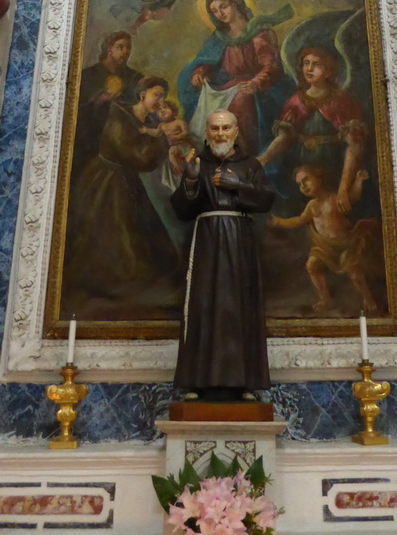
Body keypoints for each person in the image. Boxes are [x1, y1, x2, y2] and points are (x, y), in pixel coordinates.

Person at [170, 109, 276, 400]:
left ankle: (245, 383)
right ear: (206, 132)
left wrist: (237, 185)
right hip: (206, 241)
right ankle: (196, 381)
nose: (220, 134)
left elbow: (266, 199)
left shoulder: (250, 165)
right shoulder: (198, 163)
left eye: (225, 128)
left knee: (240, 305)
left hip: (240, 240)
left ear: (236, 131)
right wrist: (191, 182)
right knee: (203, 304)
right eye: (214, 128)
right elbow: (181, 210)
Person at [62, 76, 178, 315]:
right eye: (157, 95)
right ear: (142, 95)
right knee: (116, 233)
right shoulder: (120, 118)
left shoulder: (150, 120)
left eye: (163, 96)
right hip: (106, 181)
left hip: (125, 179)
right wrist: (160, 142)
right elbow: (139, 156)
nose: (160, 101)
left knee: (143, 231)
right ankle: (118, 283)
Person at [178, 0, 293, 156]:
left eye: (223, 6)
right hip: (227, 86)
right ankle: (213, 156)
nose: (220, 14)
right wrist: (199, 73)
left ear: (236, 3)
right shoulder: (220, 36)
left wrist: (256, 82)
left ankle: (240, 156)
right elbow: (208, 60)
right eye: (215, 11)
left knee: (240, 102)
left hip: (256, 89)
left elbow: (271, 66)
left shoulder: (258, 31)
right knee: (206, 108)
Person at [258, 45, 365, 210]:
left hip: (332, 166)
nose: (309, 68)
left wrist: (343, 189)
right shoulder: (295, 101)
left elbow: (354, 146)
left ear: (329, 72)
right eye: (306, 63)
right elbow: (283, 138)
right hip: (298, 166)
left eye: (316, 64)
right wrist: (262, 160)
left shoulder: (341, 100)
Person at [270, 165, 378, 314]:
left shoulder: (334, 198)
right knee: (312, 265)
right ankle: (326, 299)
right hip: (325, 248)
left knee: (355, 274)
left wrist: (359, 180)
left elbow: (353, 196)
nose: (303, 186)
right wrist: (279, 222)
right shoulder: (312, 206)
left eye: (306, 180)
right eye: (299, 184)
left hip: (346, 244)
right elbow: (299, 220)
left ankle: (368, 298)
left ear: (319, 177)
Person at [71, 31, 142, 181]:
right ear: (109, 49)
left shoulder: (133, 78)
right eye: (120, 47)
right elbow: (75, 112)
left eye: (128, 48)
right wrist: (99, 101)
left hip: (122, 144)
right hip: (92, 143)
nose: (125, 52)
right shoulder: (88, 76)